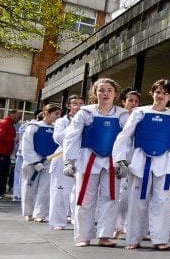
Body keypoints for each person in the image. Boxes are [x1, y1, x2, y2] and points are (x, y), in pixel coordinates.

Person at [63, 78, 128, 247]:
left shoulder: (122, 114)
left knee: (111, 197)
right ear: (94, 93)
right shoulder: (86, 112)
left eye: (109, 90)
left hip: (112, 160)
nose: (105, 93)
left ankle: (105, 235)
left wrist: (124, 162)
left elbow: (127, 140)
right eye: (101, 90)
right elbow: (72, 136)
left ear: (115, 94)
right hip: (88, 158)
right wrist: (69, 161)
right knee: (84, 197)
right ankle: (83, 236)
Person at [113, 80, 170, 250]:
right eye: (158, 91)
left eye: (165, 93)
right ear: (152, 93)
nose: (160, 95)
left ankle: (159, 239)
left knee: (162, 201)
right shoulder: (139, 112)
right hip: (141, 160)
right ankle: (133, 238)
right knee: (137, 201)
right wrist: (120, 159)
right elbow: (124, 136)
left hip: (164, 161)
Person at [19, 104, 62, 222]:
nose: (58, 117)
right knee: (29, 187)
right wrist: (35, 162)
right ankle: (28, 212)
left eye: (59, 114)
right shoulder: (33, 127)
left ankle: (40, 214)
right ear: (47, 113)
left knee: (46, 188)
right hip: (33, 162)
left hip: (49, 160)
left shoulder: (57, 129)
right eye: (56, 114)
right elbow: (27, 146)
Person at [48, 95, 83, 231]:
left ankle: (77, 220)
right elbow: (59, 138)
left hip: (82, 157)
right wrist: (75, 125)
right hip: (63, 157)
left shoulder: (87, 120)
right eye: (75, 103)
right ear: (68, 106)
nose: (78, 106)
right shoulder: (61, 122)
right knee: (60, 191)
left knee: (80, 192)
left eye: (81, 103)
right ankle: (58, 221)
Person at [113, 89, 143, 236]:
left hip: (135, 160)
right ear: (123, 101)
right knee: (117, 195)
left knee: (131, 195)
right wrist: (119, 159)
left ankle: (127, 225)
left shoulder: (140, 117)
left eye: (136, 101)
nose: (133, 104)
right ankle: (116, 225)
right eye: (130, 100)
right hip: (118, 159)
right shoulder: (118, 117)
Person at [0, 110, 19, 199]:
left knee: (4, 173)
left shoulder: (11, 125)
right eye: (18, 117)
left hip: (6, 153)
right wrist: (12, 139)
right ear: (12, 115)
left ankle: (0, 192)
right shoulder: (4, 123)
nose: (19, 119)